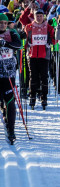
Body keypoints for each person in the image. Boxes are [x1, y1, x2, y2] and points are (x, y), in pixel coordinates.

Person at [24, 8, 55, 110]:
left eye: (41, 16)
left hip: (44, 55)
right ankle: (32, 96)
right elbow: (25, 39)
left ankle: (44, 96)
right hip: (32, 55)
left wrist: (50, 41)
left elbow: (54, 39)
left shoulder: (48, 27)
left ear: (44, 17)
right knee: (33, 76)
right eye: (37, 16)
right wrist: (25, 44)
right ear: (34, 16)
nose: (39, 18)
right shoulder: (29, 27)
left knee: (44, 76)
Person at [0, 14, 22, 144]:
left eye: (4, 22)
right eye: (0, 22)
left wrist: (6, 43)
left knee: (10, 102)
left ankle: (11, 129)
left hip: (9, 73)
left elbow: (19, 45)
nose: (2, 25)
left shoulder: (12, 33)